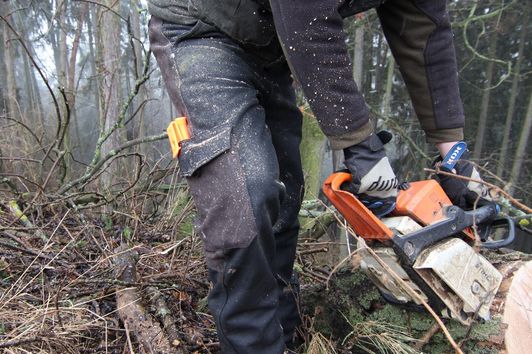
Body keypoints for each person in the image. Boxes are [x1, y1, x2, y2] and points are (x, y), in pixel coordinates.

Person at [147, 0, 490, 352]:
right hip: (201, 27)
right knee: (246, 195)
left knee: (283, 190)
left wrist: (454, 156)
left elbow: (425, 31)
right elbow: (303, 12)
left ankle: (284, 336)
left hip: (271, 40)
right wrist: (360, 144)